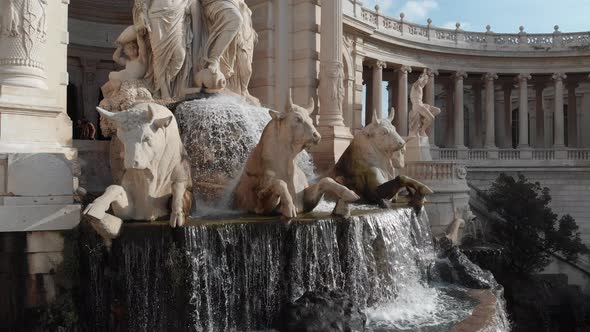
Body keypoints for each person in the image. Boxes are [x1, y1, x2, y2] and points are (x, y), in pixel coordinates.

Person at [101, 26, 148, 98]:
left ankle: (116, 91)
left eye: (134, 47)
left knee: (111, 85)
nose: (132, 49)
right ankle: (108, 100)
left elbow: (142, 48)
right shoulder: (127, 61)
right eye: (129, 48)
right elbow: (115, 57)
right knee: (104, 88)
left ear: (137, 49)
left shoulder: (141, 59)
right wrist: (120, 47)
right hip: (125, 78)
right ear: (125, 52)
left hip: (132, 81)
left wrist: (139, 37)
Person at [409, 69, 441, 137]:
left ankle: (424, 119)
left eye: (426, 80)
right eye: (425, 80)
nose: (425, 81)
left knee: (437, 110)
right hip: (417, 105)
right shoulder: (415, 85)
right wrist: (423, 75)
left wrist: (425, 76)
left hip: (421, 104)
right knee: (431, 118)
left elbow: (424, 82)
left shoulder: (420, 87)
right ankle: (422, 130)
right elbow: (418, 82)